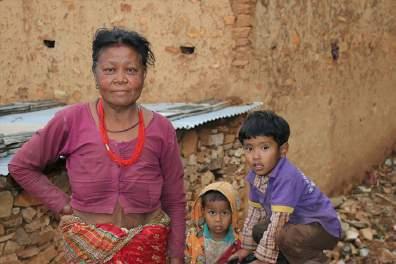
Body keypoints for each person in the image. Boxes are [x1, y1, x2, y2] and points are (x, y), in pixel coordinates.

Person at [8, 28, 186, 264]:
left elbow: (174, 198)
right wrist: (61, 204)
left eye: (131, 70)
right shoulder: (71, 120)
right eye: (110, 70)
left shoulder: (161, 129)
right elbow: (21, 165)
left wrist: (176, 254)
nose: (120, 79)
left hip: (147, 250)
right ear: (95, 73)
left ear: (144, 74)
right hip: (87, 251)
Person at [229, 110, 341, 264]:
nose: (255, 156)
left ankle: (316, 260)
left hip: (323, 228)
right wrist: (247, 248)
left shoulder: (287, 176)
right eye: (249, 148)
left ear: (282, 150)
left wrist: (262, 260)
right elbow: (255, 214)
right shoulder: (255, 176)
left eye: (264, 148)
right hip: (296, 224)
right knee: (259, 230)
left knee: (285, 237)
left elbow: (278, 222)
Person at [185, 181, 241, 264]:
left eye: (224, 213)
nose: (218, 219)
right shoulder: (193, 237)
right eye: (212, 212)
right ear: (203, 212)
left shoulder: (238, 240)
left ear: (233, 213)